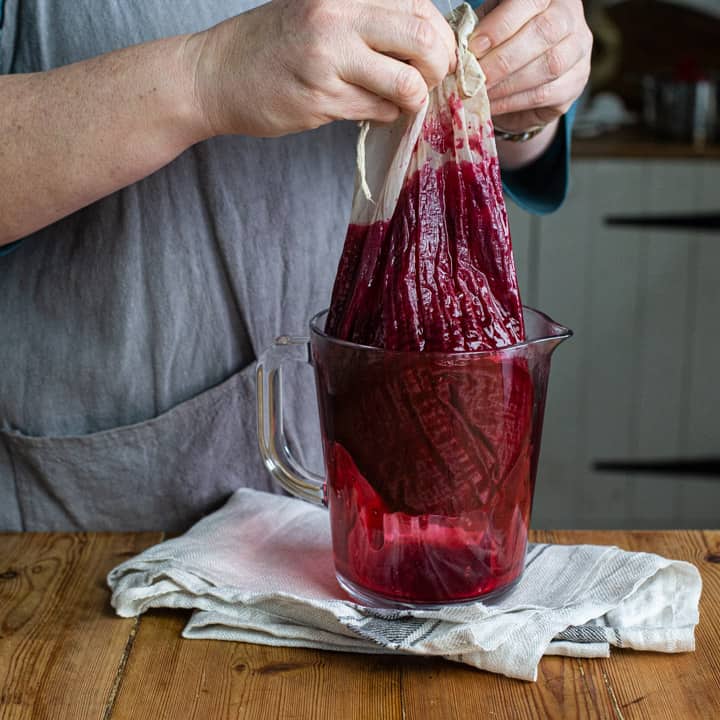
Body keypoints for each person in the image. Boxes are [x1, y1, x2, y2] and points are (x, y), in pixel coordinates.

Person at [0, 0, 592, 532]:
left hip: (379, 517)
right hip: (90, 538)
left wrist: (532, 89)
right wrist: (204, 75)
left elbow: (516, 132)